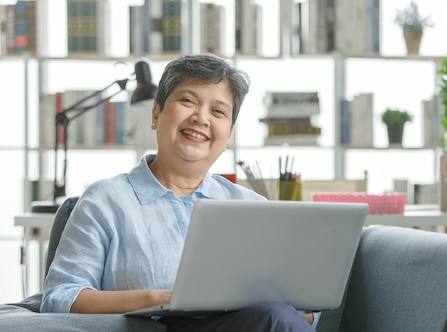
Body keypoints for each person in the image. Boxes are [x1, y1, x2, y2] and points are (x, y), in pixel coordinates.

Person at [41, 54, 319, 331]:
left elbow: (304, 313)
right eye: (188, 101)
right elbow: (61, 297)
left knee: (276, 316)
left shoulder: (253, 207)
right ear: (155, 114)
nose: (201, 118)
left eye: (218, 111)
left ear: (228, 134)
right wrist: (157, 299)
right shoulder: (106, 201)